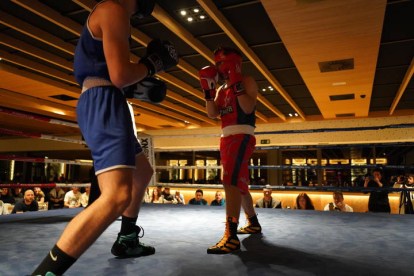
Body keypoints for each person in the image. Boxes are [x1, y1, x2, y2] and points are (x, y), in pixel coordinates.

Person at [32, 0, 179, 274]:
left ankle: (127, 239)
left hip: (108, 100)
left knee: (141, 172)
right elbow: (120, 75)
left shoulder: (113, 12)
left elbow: (113, 74)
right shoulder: (113, 9)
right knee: (116, 196)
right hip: (104, 101)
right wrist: (152, 64)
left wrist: (142, 80)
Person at [199, 46, 261, 254]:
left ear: (236, 63)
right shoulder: (220, 89)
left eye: (223, 63)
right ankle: (252, 222)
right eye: (217, 63)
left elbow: (247, 108)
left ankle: (231, 236)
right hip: (226, 138)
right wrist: (209, 93)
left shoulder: (247, 81)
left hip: (242, 135)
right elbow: (212, 114)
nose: (220, 67)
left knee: (230, 182)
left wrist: (236, 83)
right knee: (239, 182)